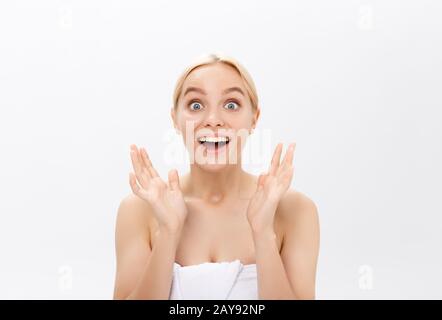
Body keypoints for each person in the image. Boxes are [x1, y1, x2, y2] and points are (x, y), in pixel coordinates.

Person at [113, 53, 320, 300]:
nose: (213, 120)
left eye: (231, 104)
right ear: (175, 120)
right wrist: (168, 232)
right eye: (196, 105)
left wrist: (263, 233)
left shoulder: (295, 210)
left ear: (254, 118)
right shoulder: (139, 210)